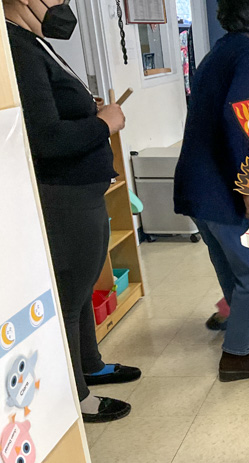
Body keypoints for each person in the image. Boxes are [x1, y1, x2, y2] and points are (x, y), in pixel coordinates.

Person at [5, 0, 138, 422]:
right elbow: (46, 139)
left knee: (83, 291)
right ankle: (76, 398)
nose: (63, 4)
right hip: (64, 197)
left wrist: (92, 113)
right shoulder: (16, 50)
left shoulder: (33, 42)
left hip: (84, 192)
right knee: (68, 297)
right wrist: (104, 123)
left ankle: (90, 365)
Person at [173, 0, 249, 382]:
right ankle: (236, 355)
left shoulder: (219, 50)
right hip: (222, 186)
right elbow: (239, 122)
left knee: (228, 264)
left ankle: (244, 325)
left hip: (198, 183)